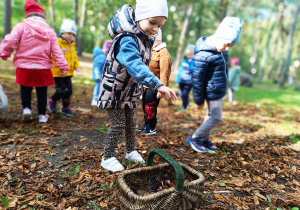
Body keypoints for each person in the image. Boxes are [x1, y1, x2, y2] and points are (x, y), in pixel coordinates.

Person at [98, 0, 177, 172]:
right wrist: (157, 84)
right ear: (140, 17)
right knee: (118, 124)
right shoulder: (127, 39)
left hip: (129, 91)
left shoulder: (144, 39)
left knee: (131, 122)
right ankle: (108, 157)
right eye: (152, 22)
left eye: (159, 26)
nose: (155, 29)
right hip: (114, 90)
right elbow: (135, 64)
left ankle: (130, 151)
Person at [0, 0, 69, 123]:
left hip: (24, 66)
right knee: (42, 91)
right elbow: (57, 51)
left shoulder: (21, 26)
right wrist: (63, 66)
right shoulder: (49, 31)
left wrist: (4, 53)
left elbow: (11, 41)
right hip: (43, 68)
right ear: (42, 15)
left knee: (25, 89)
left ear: (28, 14)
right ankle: (42, 115)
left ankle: (27, 109)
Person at [186, 17, 242, 153]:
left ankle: (204, 139)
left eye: (230, 46)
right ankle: (195, 138)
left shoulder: (222, 50)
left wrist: (224, 90)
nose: (227, 48)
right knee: (216, 117)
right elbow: (197, 80)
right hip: (210, 90)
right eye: (227, 44)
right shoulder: (203, 55)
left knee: (210, 115)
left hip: (217, 90)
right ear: (219, 36)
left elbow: (225, 71)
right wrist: (198, 100)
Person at [137, 29, 172, 136]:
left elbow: (164, 73)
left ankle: (151, 127)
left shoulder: (163, 53)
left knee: (150, 106)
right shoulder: (150, 50)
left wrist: (162, 88)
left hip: (155, 86)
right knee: (145, 105)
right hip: (146, 84)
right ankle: (146, 124)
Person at [48, 19, 81, 115]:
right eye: (69, 33)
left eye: (73, 34)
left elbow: (74, 58)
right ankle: (52, 100)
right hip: (58, 72)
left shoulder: (72, 45)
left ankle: (66, 107)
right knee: (62, 90)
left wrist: (77, 66)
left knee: (69, 91)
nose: (71, 36)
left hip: (69, 72)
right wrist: (58, 53)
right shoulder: (57, 42)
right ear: (62, 32)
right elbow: (49, 54)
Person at [91, 40, 111, 106]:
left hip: (101, 76)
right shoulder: (101, 57)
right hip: (98, 76)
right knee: (98, 87)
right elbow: (97, 67)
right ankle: (95, 100)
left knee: (101, 88)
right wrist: (98, 75)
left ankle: (99, 99)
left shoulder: (103, 56)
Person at [175, 45, 195, 110]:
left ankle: (184, 106)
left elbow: (193, 70)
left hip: (189, 82)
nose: (189, 56)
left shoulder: (194, 62)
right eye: (188, 54)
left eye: (191, 54)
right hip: (182, 80)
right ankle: (186, 102)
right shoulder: (184, 61)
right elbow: (180, 71)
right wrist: (177, 80)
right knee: (180, 93)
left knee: (185, 94)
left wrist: (191, 62)